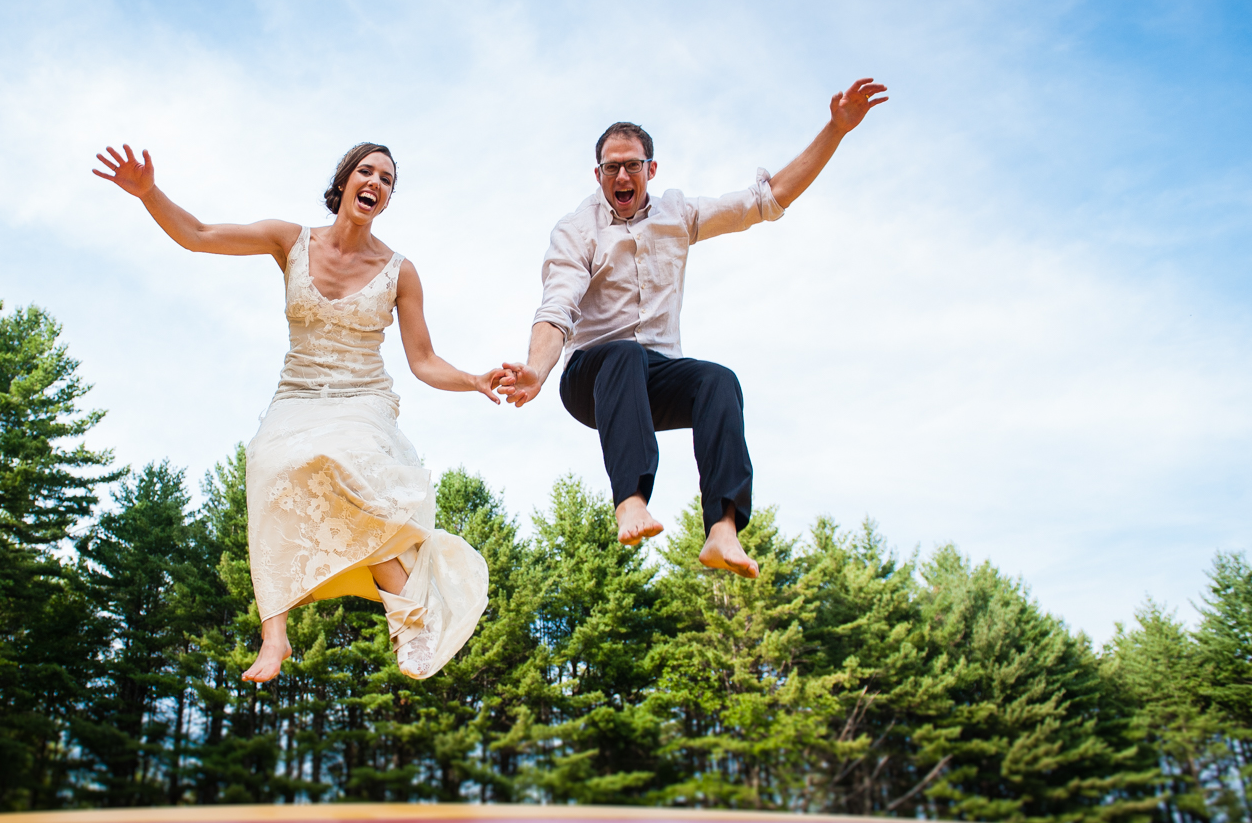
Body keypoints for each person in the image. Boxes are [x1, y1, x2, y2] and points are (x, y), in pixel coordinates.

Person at [94, 141, 498, 683]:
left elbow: (423, 362)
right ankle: (275, 637)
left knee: (339, 460)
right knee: (268, 464)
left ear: (387, 199)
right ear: (345, 181)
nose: (375, 181)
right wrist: (148, 193)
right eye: (366, 171)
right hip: (299, 395)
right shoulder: (290, 240)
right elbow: (199, 236)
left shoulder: (400, 272)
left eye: (387, 179)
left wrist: (474, 380)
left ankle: (409, 620)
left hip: (362, 397)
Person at [499, 79, 889, 578]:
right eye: (611, 167)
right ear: (598, 174)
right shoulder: (577, 230)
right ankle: (630, 500)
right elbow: (557, 306)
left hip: (654, 377)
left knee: (716, 380)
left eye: (632, 166)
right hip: (591, 380)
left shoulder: (676, 213)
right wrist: (535, 369)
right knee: (622, 353)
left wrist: (835, 130)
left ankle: (722, 529)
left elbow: (766, 201)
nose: (622, 175)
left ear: (650, 170)